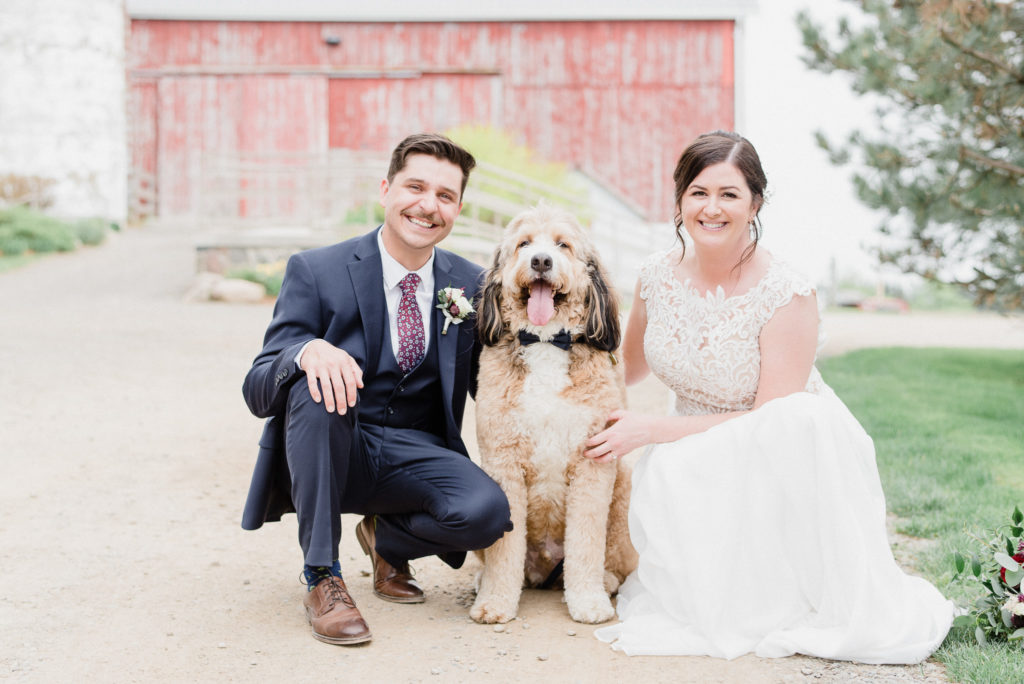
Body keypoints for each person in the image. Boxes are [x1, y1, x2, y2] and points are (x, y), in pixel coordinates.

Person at [588, 131, 954, 663]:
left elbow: (772, 417)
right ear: (680, 200)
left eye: (729, 194)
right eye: (698, 192)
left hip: (784, 450)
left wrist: (652, 431)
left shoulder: (787, 291)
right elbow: (627, 367)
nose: (711, 208)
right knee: (673, 472)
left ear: (755, 203)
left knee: (686, 466)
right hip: (690, 440)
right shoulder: (654, 277)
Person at [241, 133, 512, 646]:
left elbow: (494, 381)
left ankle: (385, 538)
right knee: (318, 387)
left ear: (457, 208)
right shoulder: (316, 270)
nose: (428, 206)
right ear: (386, 190)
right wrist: (304, 352)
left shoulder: (474, 285)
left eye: (446, 196)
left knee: (488, 513)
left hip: (417, 451)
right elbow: (258, 389)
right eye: (415, 187)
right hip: (331, 445)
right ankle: (323, 576)